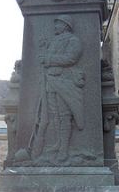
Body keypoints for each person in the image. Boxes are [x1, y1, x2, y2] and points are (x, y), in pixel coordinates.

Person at [33, 15, 84, 163]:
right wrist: (44, 50)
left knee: (64, 115)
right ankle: (58, 143)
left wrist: (48, 59)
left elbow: (71, 58)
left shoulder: (73, 41)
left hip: (64, 81)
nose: (55, 27)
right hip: (50, 81)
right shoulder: (54, 41)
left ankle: (64, 150)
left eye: (58, 24)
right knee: (54, 115)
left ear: (65, 25)